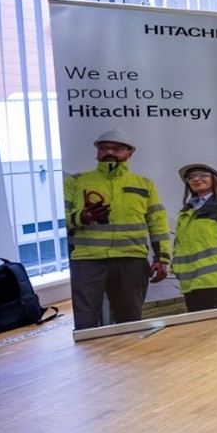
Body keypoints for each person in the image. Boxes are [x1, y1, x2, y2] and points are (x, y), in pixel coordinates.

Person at [63, 128, 170, 330]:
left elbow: (157, 222)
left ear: (130, 153)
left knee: (130, 322)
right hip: (87, 261)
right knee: (85, 324)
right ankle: (88, 353)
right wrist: (81, 217)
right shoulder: (76, 182)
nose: (109, 152)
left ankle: (127, 351)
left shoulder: (144, 184)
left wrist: (162, 257)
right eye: (104, 148)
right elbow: (59, 221)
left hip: (131, 261)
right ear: (97, 152)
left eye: (118, 148)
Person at [171, 163, 217, 312]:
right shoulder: (185, 213)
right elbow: (179, 246)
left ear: (214, 179)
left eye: (203, 175)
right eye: (191, 177)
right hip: (192, 285)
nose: (196, 179)